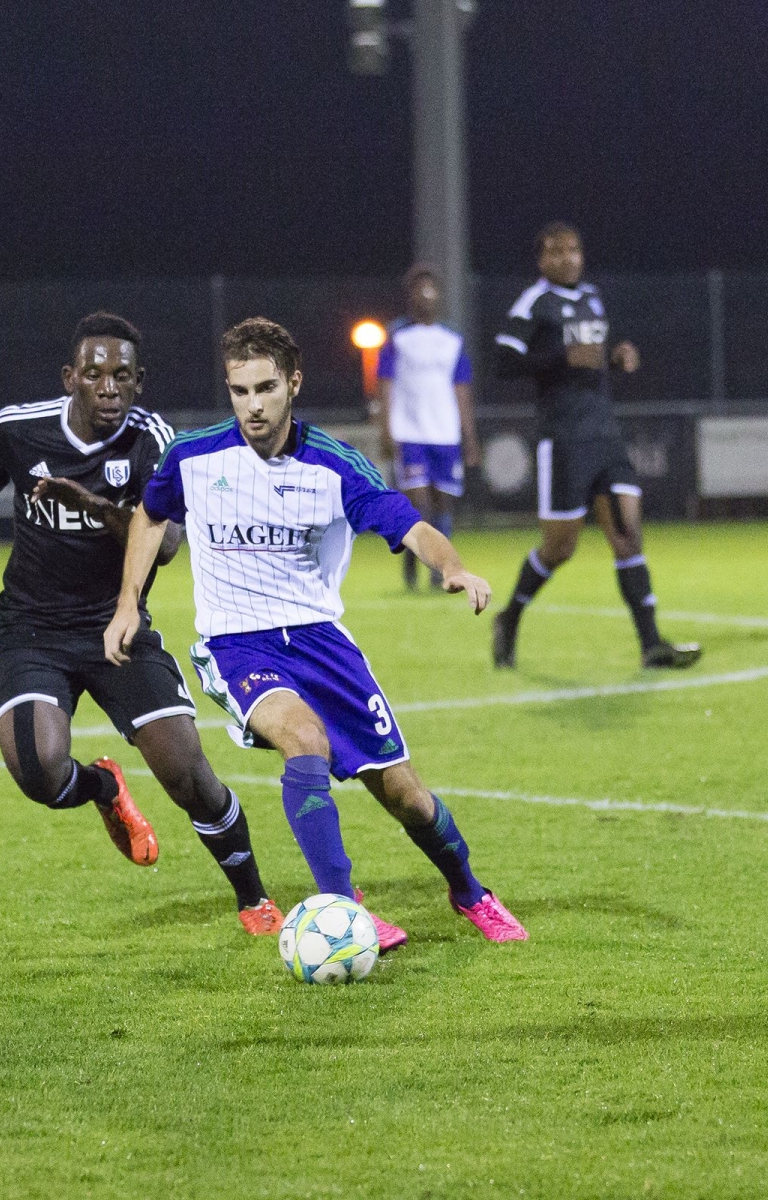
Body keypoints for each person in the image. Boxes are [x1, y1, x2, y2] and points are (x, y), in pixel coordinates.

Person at [105, 317, 528, 949]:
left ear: (293, 384)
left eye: (266, 389)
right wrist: (127, 603)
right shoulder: (193, 458)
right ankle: (342, 908)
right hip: (236, 643)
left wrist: (453, 567)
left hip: (322, 645)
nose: (252, 405)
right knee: (304, 740)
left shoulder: (333, 466)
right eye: (240, 391)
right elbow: (149, 515)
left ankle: (470, 891)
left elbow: (407, 524)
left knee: (405, 794)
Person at [0, 312, 284, 935]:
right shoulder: (20, 431)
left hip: (116, 629)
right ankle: (103, 788)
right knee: (40, 774)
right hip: (32, 630)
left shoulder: (154, 442)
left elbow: (170, 542)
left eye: (122, 376)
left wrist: (96, 507)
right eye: (95, 373)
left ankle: (255, 899)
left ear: (138, 382)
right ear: (71, 377)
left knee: (187, 775)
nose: (108, 386)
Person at [489, 222, 701, 670]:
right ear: (541, 260)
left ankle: (652, 645)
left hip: (605, 437)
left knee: (628, 539)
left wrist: (618, 356)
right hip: (564, 441)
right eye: (556, 252)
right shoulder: (534, 302)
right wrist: (560, 358)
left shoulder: (592, 297)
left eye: (574, 250)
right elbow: (503, 360)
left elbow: (593, 357)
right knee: (560, 548)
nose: (567, 258)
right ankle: (509, 617)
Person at [374, 264, 481, 590]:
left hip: (445, 433)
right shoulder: (397, 335)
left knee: (443, 503)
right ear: (411, 296)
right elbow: (385, 383)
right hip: (410, 432)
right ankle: (413, 565)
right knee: (417, 503)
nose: (426, 296)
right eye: (420, 290)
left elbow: (461, 389)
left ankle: (439, 572)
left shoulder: (452, 338)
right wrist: (386, 427)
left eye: (431, 289)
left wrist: (469, 436)